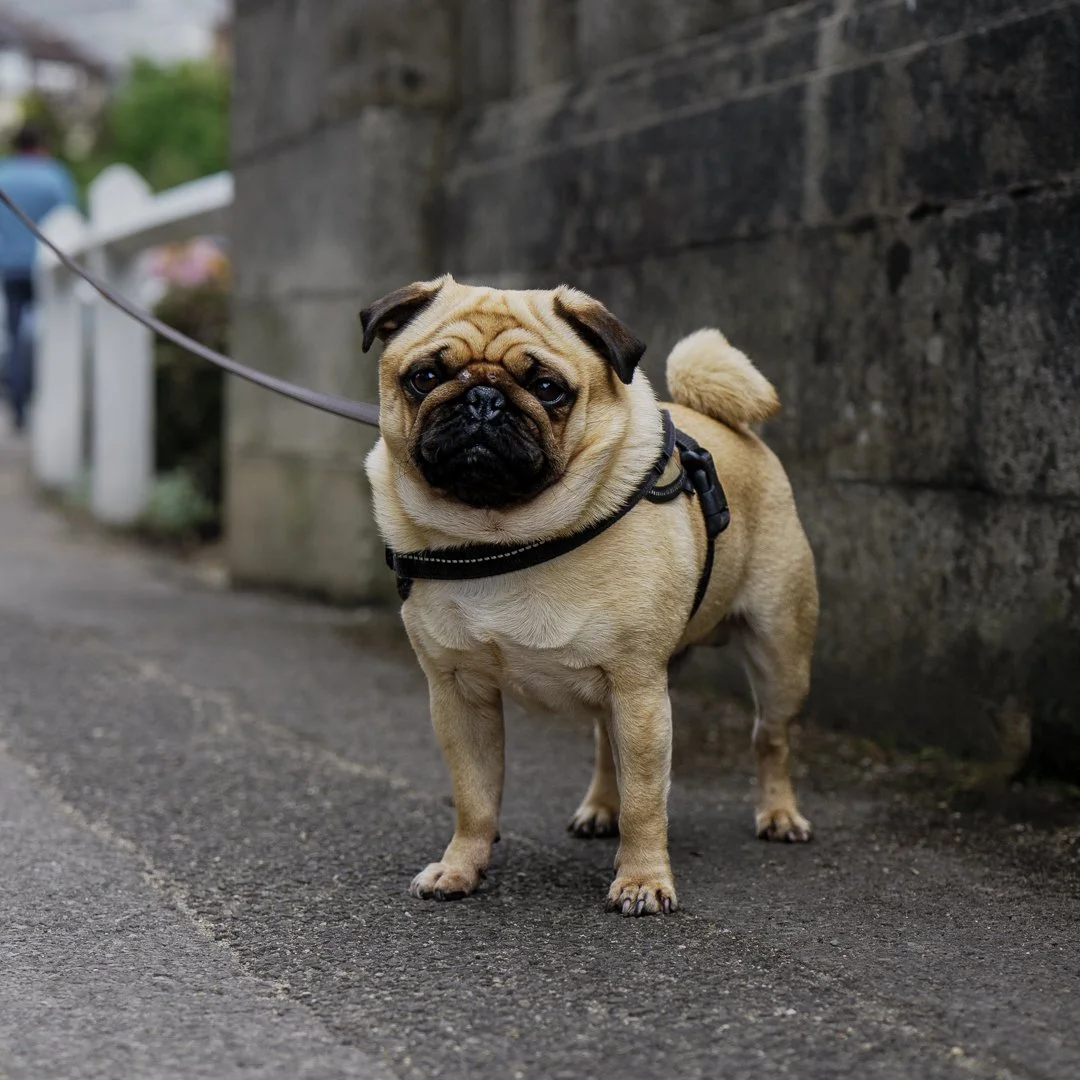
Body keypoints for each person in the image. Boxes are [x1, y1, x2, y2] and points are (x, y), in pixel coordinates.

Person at [0, 122, 77, 431]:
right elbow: (70, 221)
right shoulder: (54, 177)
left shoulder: (4, 175)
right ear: (42, 146)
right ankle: (37, 395)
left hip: (9, 267)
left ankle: (17, 403)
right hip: (47, 269)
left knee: (17, 333)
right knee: (49, 333)